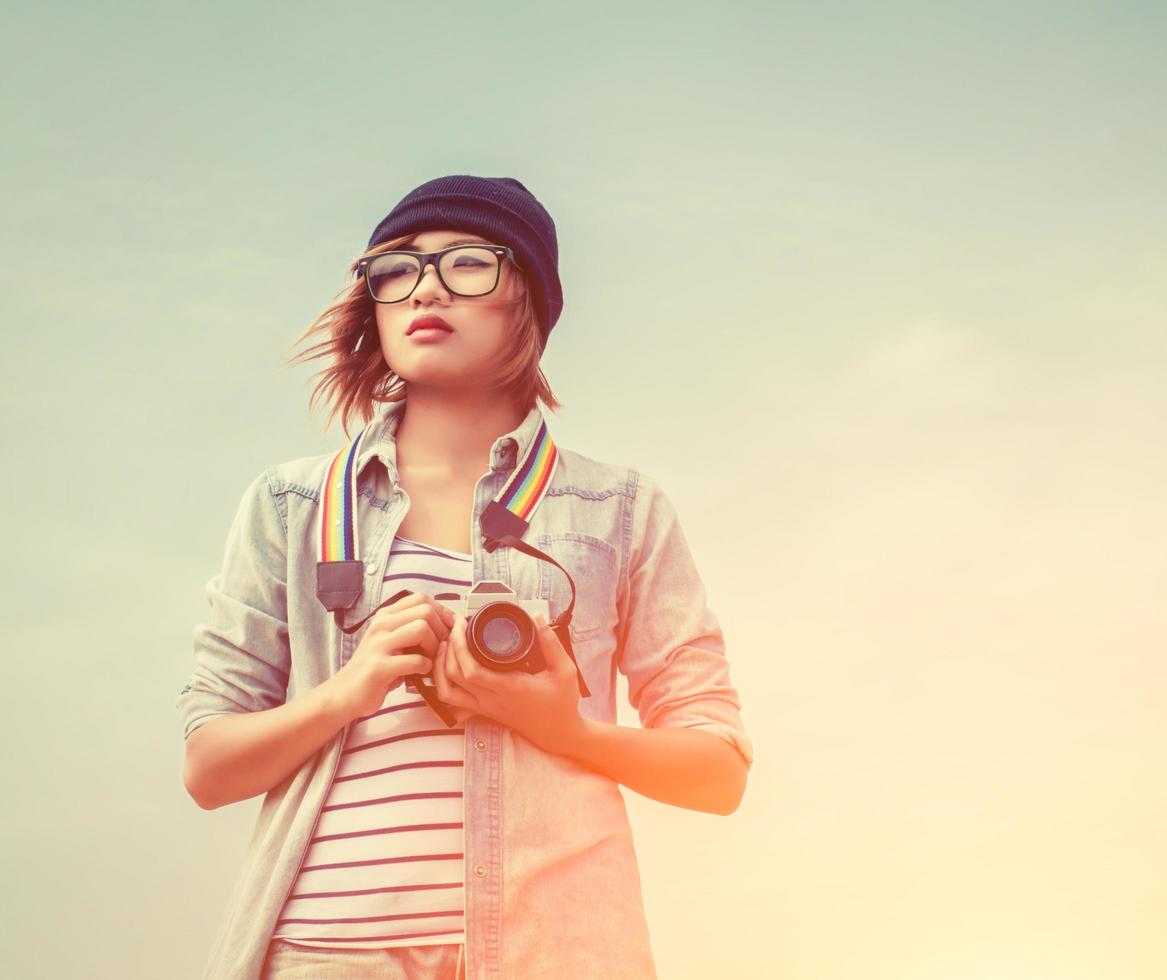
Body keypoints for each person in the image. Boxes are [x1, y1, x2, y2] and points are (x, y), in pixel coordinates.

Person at [176, 175, 754, 980]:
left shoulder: (618, 509)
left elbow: (718, 772)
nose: (427, 289)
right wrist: (351, 689)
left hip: (555, 953)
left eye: (467, 264)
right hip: (326, 953)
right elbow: (208, 767)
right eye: (398, 268)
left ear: (530, 299)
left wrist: (566, 731)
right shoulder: (292, 503)